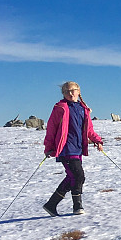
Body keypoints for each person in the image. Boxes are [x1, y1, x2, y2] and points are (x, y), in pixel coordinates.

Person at [43, 81, 103, 216]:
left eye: (72, 90)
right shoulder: (60, 108)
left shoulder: (83, 108)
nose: (70, 93)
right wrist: (49, 147)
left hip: (78, 147)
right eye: (66, 91)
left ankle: (51, 204)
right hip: (65, 147)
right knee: (78, 175)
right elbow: (51, 128)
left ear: (78, 91)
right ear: (63, 94)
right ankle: (77, 206)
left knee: (72, 176)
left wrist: (97, 141)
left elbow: (89, 130)